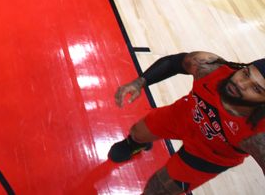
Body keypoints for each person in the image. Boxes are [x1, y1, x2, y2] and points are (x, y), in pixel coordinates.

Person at [109, 52, 265, 193]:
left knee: (156, 190)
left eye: (256, 89)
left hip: (208, 156)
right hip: (183, 115)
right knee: (137, 132)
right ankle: (135, 145)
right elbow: (173, 62)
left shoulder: (259, 134)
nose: (241, 84)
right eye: (245, 73)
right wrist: (140, 82)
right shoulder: (211, 68)